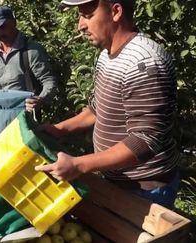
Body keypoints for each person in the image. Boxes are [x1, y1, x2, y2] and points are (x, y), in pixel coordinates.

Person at [35, 0, 180, 208]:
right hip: (119, 182)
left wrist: (79, 164)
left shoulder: (144, 63)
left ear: (116, 11)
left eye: (87, 15)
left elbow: (145, 141)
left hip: (146, 188)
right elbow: (98, 109)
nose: (80, 25)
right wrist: (59, 129)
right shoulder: (107, 55)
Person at [0, 5, 58, 114]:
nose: (0, 33)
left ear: (14, 23)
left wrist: (41, 100)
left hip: (24, 115)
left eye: (3, 27)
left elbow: (49, 81)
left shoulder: (31, 50)